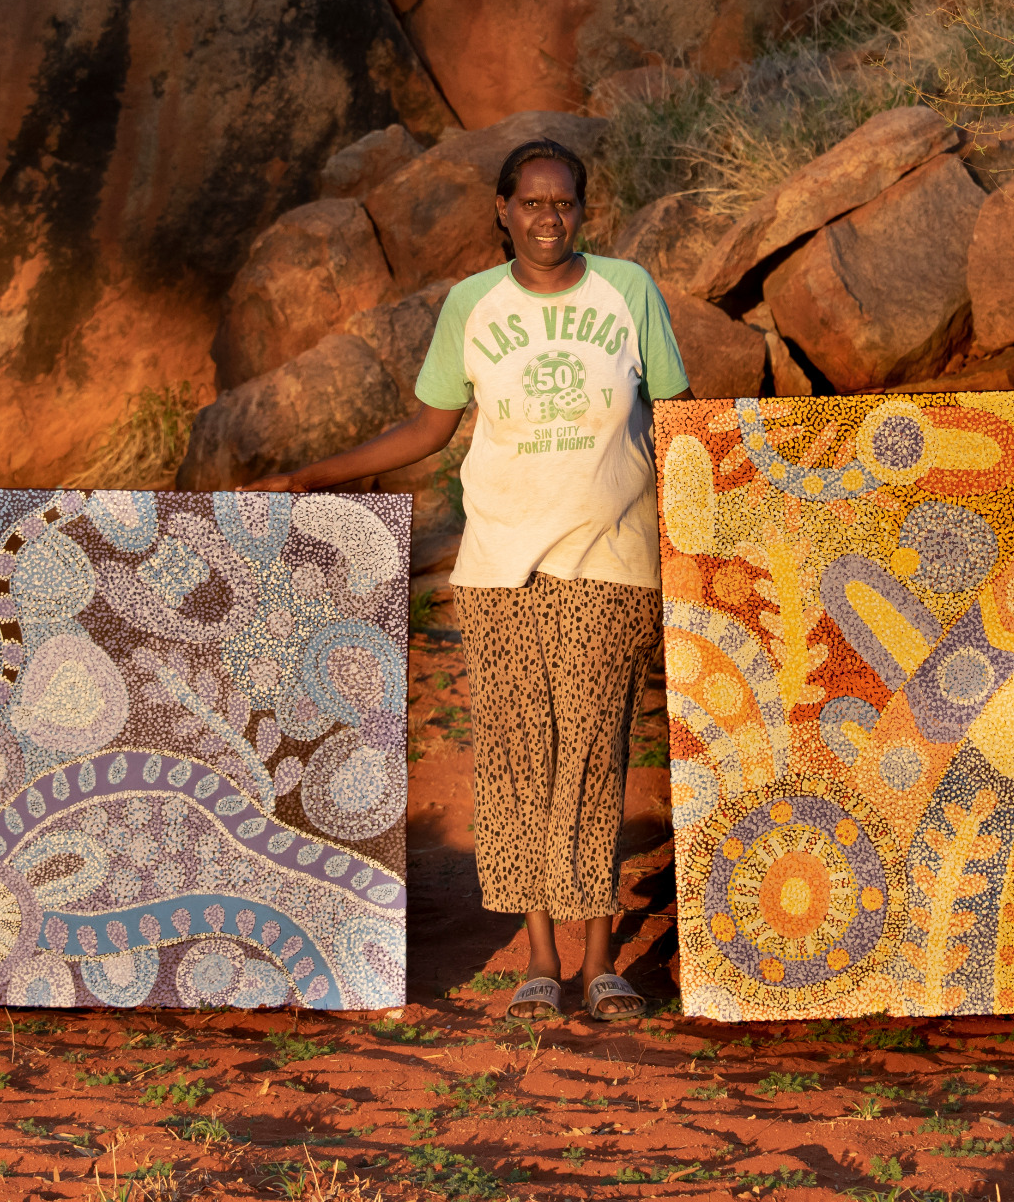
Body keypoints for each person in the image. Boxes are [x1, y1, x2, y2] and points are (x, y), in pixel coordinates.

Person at [246, 139, 690, 1020]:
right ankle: (539, 959)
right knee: (520, 756)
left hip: (608, 554)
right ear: (502, 210)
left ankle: (602, 961)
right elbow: (427, 429)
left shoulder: (628, 291)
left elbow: (679, 420)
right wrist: (311, 478)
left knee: (594, 749)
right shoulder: (472, 306)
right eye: (531, 203)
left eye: (564, 203)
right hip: (495, 564)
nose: (548, 218)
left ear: (582, 211)